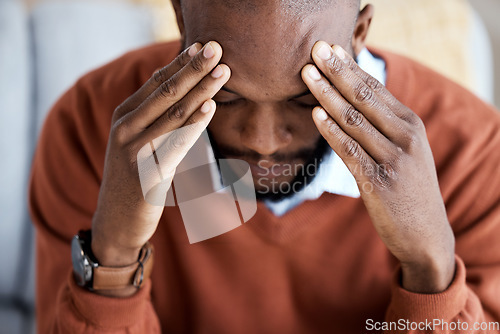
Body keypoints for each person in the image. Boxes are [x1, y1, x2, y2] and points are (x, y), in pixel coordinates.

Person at [29, 0, 500, 333]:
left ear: (358, 33)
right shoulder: (90, 128)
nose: (264, 142)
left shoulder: (472, 150)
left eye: (303, 99)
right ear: (179, 17)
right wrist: (112, 257)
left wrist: (429, 270)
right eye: (228, 95)